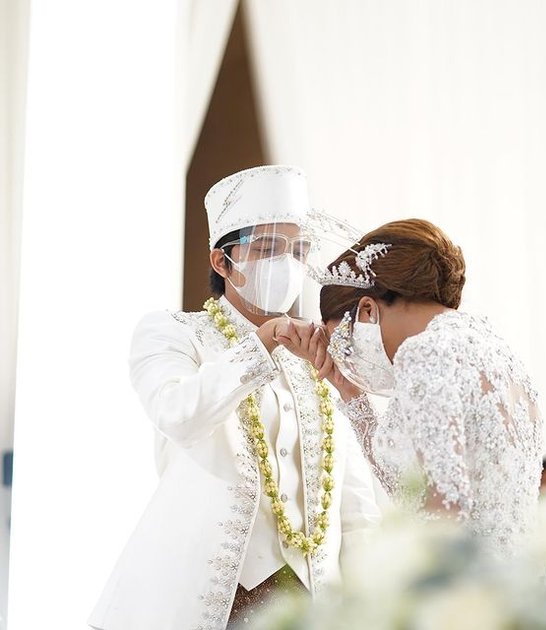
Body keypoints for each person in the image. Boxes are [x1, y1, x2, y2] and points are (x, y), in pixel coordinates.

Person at [88, 165, 380, 630]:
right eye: (266, 249)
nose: (286, 263)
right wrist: (260, 342)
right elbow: (178, 413)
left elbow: (354, 501)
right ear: (222, 262)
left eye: (298, 250)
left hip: (311, 606)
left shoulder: (317, 351)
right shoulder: (173, 333)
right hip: (205, 600)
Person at [279, 218, 543, 559]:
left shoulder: (423, 353)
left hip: (472, 589)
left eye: (341, 345)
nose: (344, 361)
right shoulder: (493, 346)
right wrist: (346, 389)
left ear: (367, 310)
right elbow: (416, 491)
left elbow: (442, 513)